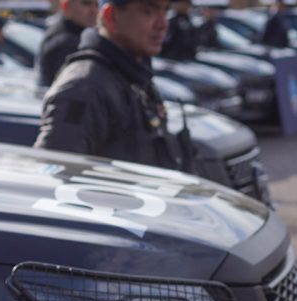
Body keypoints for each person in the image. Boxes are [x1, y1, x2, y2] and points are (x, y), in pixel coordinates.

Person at [35, 0, 193, 172]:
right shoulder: (85, 86)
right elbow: (56, 173)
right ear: (111, 16)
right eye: (148, 11)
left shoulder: (132, 76)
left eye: (165, 12)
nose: (162, 24)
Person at [38, 0, 100, 87]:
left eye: (97, 5)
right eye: (86, 3)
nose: (94, 11)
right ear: (66, 6)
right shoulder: (66, 42)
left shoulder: (73, 34)